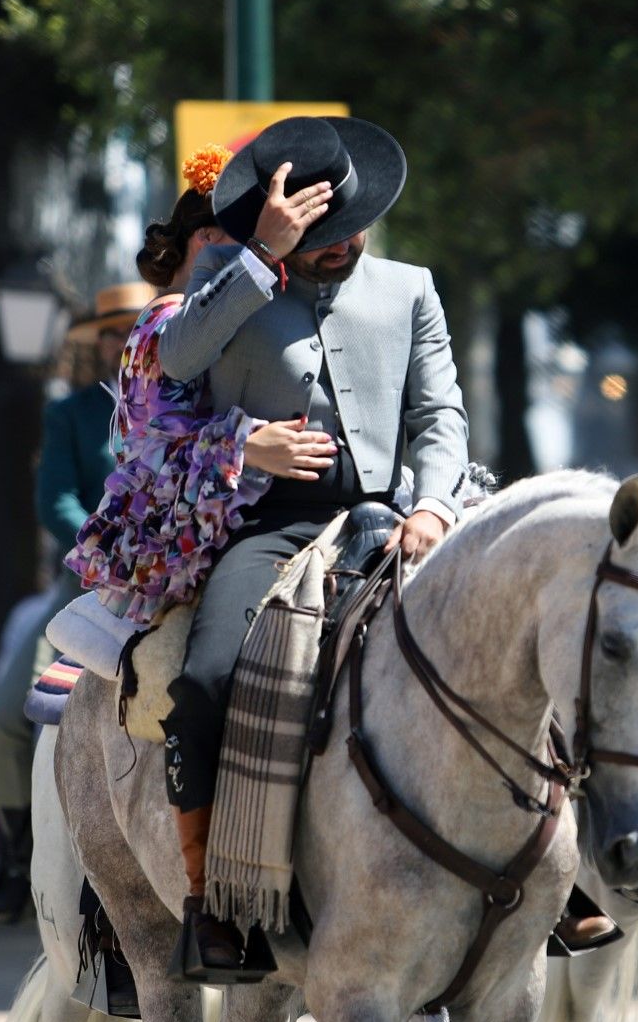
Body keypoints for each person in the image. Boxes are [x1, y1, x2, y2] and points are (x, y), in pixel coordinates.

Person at [142, 115, 469, 976]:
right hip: (268, 526)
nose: (342, 247)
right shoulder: (224, 274)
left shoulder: (410, 288)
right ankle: (214, 899)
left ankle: (555, 877)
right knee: (206, 679)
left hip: (395, 516)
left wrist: (433, 505)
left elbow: (439, 417)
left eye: (349, 229)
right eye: (319, 239)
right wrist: (259, 259)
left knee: (518, 629)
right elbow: (175, 358)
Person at [0, 280, 151, 923]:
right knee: (3, 716)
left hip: (174, 580)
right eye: (109, 332)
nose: (119, 341)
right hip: (86, 582)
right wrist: (109, 551)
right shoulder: (72, 414)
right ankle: (20, 857)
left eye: (131, 327)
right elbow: (54, 500)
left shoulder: (187, 406)